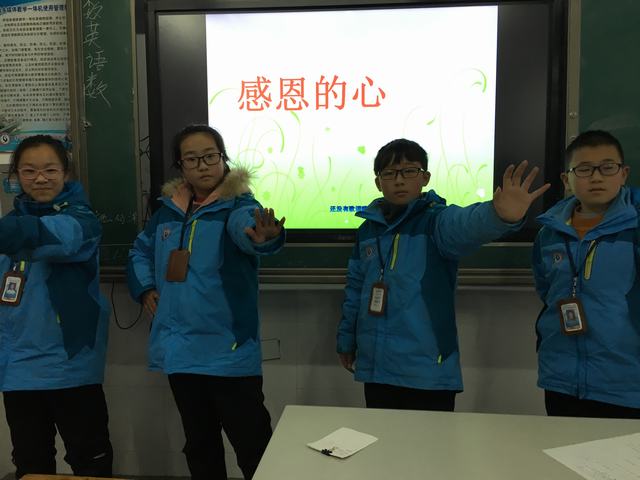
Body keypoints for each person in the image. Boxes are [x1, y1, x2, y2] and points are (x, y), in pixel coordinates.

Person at [337, 138, 549, 411]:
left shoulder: (436, 221)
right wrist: (346, 340)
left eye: (409, 171)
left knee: (432, 440)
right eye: (389, 173)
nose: (399, 180)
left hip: (428, 373)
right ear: (378, 182)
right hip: (376, 369)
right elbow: (355, 289)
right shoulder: (367, 230)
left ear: (425, 178)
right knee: (380, 438)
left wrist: (498, 214)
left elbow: (466, 224)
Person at [127, 124, 285, 480]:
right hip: (181, 351)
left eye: (210, 156)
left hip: (228, 352)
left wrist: (261, 237)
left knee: (253, 445)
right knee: (199, 446)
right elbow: (140, 251)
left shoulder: (240, 207)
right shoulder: (167, 212)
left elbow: (247, 231)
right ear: (180, 166)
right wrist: (146, 288)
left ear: (223, 159)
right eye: (192, 159)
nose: (203, 166)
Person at [0, 135, 113, 478]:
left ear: (66, 173)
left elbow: (52, 237)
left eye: (50, 170)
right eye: (29, 171)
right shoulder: (11, 225)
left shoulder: (82, 220)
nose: (40, 178)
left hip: (70, 368)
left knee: (89, 462)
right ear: (16, 176)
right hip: (19, 370)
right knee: (31, 465)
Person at [533, 129, 640, 418]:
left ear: (623, 174)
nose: (596, 177)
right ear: (566, 180)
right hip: (561, 379)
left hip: (626, 382)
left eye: (607, 167)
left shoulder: (635, 228)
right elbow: (546, 289)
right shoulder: (548, 232)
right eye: (584, 169)